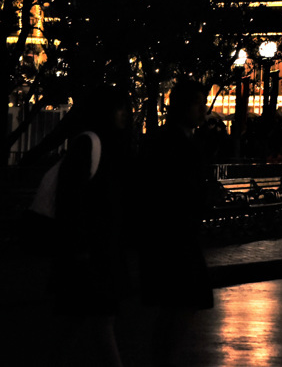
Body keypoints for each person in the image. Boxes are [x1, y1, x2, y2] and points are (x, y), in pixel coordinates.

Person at [48, 85, 133, 367]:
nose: (125, 113)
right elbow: (73, 200)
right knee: (99, 319)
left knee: (80, 320)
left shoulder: (101, 144)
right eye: (119, 108)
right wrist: (80, 247)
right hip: (90, 253)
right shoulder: (92, 144)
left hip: (95, 252)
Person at [138, 78, 214, 367]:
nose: (203, 110)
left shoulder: (173, 139)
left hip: (173, 234)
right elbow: (171, 188)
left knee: (178, 305)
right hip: (172, 235)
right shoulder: (171, 142)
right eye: (198, 103)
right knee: (182, 302)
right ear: (181, 106)